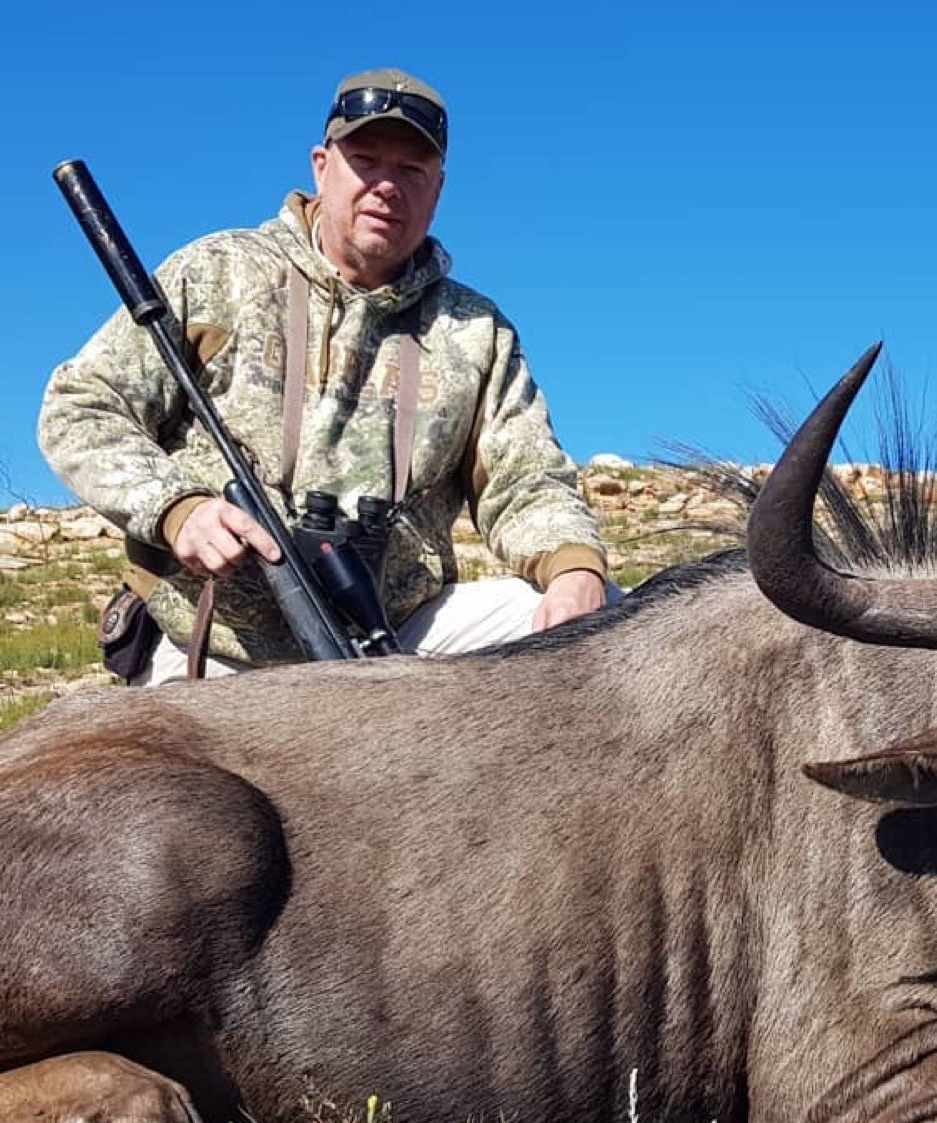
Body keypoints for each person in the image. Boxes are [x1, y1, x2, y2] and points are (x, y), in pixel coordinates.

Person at [41, 68, 611, 684]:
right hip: (213, 639)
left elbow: (527, 478)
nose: (387, 186)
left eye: (412, 171)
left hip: (399, 636)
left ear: (438, 190)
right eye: (366, 161)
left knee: (603, 627)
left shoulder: (476, 330)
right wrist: (179, 510)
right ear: (321, 167)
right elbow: (79, 408)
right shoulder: (216, 273)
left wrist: (575, 572)